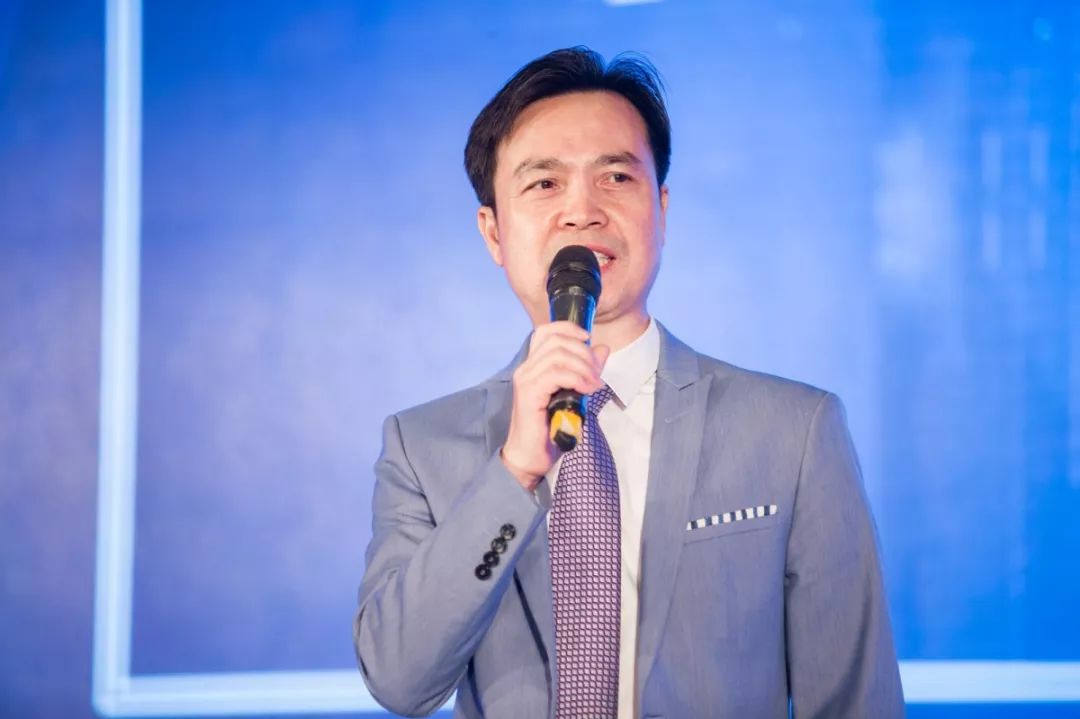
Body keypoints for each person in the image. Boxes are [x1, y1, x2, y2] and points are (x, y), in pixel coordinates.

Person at [353, 46, 904, 718]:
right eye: (544, 184)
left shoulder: (795, 432)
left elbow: (855, 701)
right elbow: (400, 680)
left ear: (662, 209)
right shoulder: (421, 447)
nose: (582, 210)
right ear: (493, 232)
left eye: (616, 176)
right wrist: (515, 469)